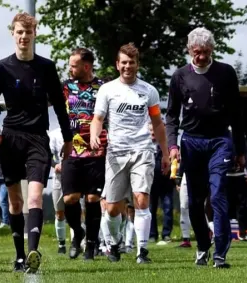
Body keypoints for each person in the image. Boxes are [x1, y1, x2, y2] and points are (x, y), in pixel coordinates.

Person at [0, 12, 72, 273]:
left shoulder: (46, 67)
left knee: (34, 197)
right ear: (13, 34)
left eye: (28, 32)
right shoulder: (2, 67)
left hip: (37, 139)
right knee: (14, 202)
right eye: (19, 32)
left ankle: (34, 253)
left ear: (35, 34)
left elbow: (59, 104)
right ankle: (20, 256)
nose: (24, 37)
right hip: (10, 139)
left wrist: (68, 139)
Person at [165, 27, 245, 269]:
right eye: (197, 52)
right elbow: (171, 115)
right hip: (191, 142)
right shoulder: (180, 76)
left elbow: (236, 114)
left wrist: (240, 150)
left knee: (218, 194)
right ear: (190, 50)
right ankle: (202, 246)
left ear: (212, 50)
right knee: (194, 201)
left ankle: (220, 254)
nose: (201, 57)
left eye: (206, 52)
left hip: (220, 141)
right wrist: (172, 145)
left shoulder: (226, 73)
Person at [90, 43, 169, 264]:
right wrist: (94, 136)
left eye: (131, 62)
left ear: (137, 65)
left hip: (142, 151)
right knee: (114, 208)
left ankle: (142, 251)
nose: (127, 66)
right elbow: (97, 119)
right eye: (123, 62)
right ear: (117, 65)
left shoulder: (149, 91)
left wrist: (165, 153)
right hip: (116, 153)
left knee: (141, 199)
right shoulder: (107, 90)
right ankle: (113, 244)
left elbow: (157, 123)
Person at [61, 48, 106, 261]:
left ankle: (90, 246)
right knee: (70, 198)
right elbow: (42, 102)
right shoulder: (65, 87)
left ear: (86, 67)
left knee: (93, 198)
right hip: (72, 151)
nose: (70, 69)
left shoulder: (104, 88)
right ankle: (77, 231)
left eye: (74, 65)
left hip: (97, 152)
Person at [148, 122, 175, 245]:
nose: (153, 133)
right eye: (150, 130)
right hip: (150, 183)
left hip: (166, 183)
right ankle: (152, 234)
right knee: (150, 210)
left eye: (155, 130)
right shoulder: (144, 145)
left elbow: (175, 162)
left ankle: (166, 234)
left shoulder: (168, 145)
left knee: (168, 208)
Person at [48, 127, 66, 254]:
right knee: (59, 213)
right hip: (59, 178)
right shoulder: (54, 134)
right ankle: (61, 243)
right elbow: (48, 156)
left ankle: (80, 241)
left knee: (80, 212)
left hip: (76, 175)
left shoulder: (78, 130)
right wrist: (56, 165)